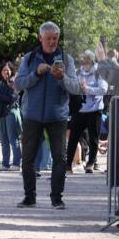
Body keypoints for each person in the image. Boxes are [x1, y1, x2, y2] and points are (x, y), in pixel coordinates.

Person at [14, 21, 81, 209]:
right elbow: (18, 84)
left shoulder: (67, 59)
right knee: (27, 159)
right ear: (40, 38)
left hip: (57, 116)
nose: (52, 42)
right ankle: (29, 197)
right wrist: (36, 73)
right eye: (49, 38)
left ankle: (57, 198)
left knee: (59, 158)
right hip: (32, 116)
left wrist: (61, 78)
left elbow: (75, 88)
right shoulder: (29, 59)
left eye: (55, 38)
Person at [66, 50, 109, 174]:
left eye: (86, 59)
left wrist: (87, 89)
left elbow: (103, 89)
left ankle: (90, 164)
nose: (84, 61)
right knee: (73, 137)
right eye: (82, 59)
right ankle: (68, 165)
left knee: (93, 138)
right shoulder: (78, 72)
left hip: (94, 110)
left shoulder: (98, 72)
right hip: (79, 110)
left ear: (91, 59)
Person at [0, 62, 22, 171]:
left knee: (13, 139)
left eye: (8, 70)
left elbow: (12, 98)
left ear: (12, 71)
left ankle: (16, 163)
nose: (6, 72)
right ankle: (5, 163)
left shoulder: (14, 82)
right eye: (4, 70)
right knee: (3, 140)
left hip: (11, 112)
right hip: (1, 113)